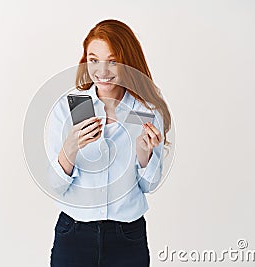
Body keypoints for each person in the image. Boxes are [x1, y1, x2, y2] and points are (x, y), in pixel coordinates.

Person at [45, 19, 171, 267]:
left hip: (127, 237)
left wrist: (145, 154)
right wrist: (70, 148)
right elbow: (56, 186)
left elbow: (149, 185)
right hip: (74, 234)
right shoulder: (68, 108)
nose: (102, 71)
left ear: (128, 62)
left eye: (112, 61)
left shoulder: (145, 110)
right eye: (94, 60)